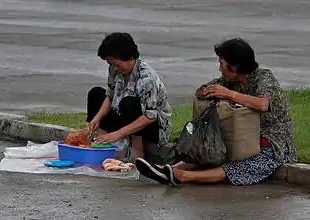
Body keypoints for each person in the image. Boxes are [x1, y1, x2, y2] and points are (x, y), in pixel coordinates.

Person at [135, 38, 298, 186]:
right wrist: (207, 92)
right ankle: (167, 169)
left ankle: (183, 176)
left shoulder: (264, 78)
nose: (219, 68)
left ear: (235, 67)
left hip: (272, 142)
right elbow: (201, 91)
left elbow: (263, 104)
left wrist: (229, 95)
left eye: (222, 63)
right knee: (206, 146)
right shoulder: (228, 81)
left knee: (244, 165)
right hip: (238, 136)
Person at [86, 32, 172, 160]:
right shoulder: (115, 71)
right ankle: (102, 143)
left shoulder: (147, 78)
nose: (114, 68)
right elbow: (110, 96)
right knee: (96, 94)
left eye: (116, 63)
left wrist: (117, 134)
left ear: (128, 57)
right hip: (123, 118)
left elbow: (150, 116)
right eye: (111, 64)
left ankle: (137, 154)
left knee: (129, 103)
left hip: (150, 127)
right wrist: (97, 118)